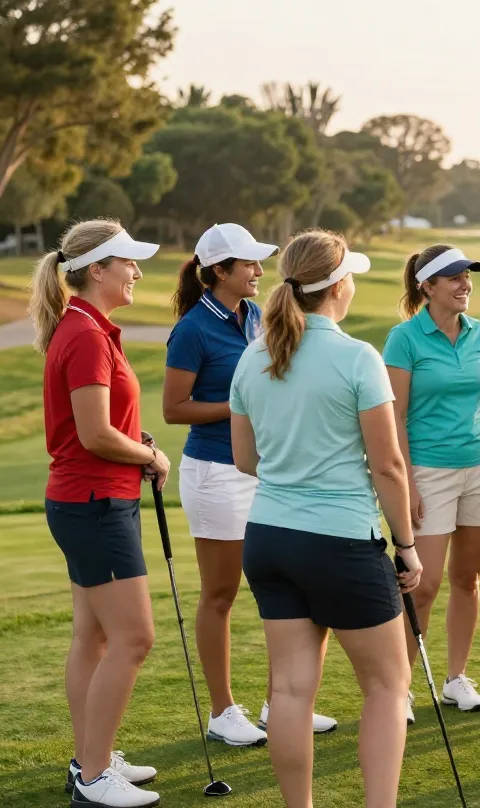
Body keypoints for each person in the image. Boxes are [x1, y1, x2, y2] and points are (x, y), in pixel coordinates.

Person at [230, 229, 446, 808]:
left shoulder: (253, 356)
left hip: (268, 539)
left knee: (291, 692)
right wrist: (407, 547)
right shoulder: (357, 358)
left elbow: (247, 460)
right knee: (387, 684)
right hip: (341, 543)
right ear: (338, 286)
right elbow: (389, 467)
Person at [164, 223, 337, 746]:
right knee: (221, 593)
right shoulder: (192, 329)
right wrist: (243, 404)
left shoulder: (258, 317)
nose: (260, 272)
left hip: (264, 469)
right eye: (249, 265)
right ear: (220, 271)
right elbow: (174, 409)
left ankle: (278, 703)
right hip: (215, 472)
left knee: (281, 588)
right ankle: (222, 712)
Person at [30, 219, 168, 808]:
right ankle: (92, 776)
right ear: (96, 270)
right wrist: (151, 454)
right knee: (134, 638)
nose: (137, 272)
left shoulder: (89, 328)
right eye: (128, 263)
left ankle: (91, 755)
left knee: (94, 635)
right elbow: (94, 434)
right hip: (95, 503)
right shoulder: (85, 335)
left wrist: (134, 447)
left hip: (91, 500)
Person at [383, 245, 480, 721]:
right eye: (453, 277)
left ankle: (456, 677)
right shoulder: (404, 339)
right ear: (427, 286)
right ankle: (399, 686)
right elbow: (393, 415)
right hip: (428, 471)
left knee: (468, 578)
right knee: (424, 583)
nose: (465, 284)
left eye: (467, 276)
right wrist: (408, 485)